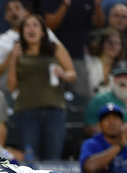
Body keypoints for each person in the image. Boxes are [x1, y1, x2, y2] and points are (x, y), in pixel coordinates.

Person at [7, 13, 76, 161]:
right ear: (22, 31)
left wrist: (63, 74)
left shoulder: (55, 48)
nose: (31, 29)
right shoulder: (18, 53)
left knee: (53, 160)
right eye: (27, 26)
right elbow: (11, 86)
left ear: (43, 31)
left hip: (54, 111)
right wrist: (13, 59)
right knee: (30, 160)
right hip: (26, 112)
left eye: (35, 25)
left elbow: (72, 73)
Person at [0, 0, 61, 95]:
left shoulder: (44, 33)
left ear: (26, 12)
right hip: (16, 94)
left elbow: (61, 56)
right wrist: (12, 55)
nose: (13, 12)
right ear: (6, 16)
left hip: (46, 91)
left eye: (17, 8)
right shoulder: (1, 42)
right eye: (9, 10)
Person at [39, 0, 106, 98]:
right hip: (54, 57)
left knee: (82, 98)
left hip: (78, 56)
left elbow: (99, 24)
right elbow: (49, 26)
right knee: (52, 96)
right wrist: (65, 5)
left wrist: (97, 5)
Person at [84, 28, 125, 97]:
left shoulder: (121, 69)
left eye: (117, 44)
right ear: (102, 44)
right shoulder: (88, 62)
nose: (113, 46)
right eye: (110, 42)